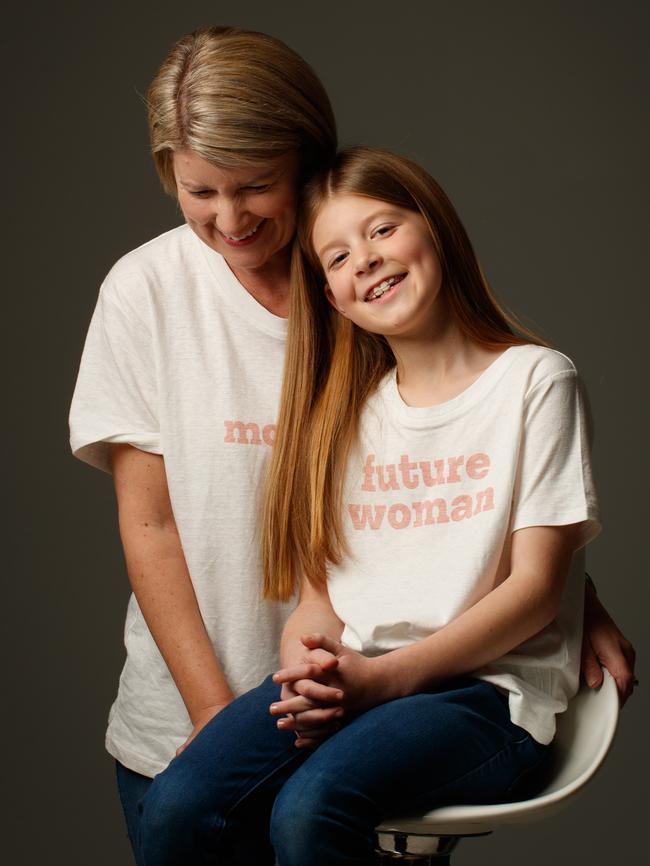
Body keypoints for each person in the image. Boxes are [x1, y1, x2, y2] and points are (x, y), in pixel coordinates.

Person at [68, 25, 635, 864]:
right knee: (192, 814)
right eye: (199, 191)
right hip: (233, 703)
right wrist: (216, 719)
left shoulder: (364, 297)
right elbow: (150, 525)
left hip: (392, 696)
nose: (229, 218)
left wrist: (571, 598)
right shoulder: (146, 293)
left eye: (256, 186)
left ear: (304, 158)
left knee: (311, 818)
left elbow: (467, 458)